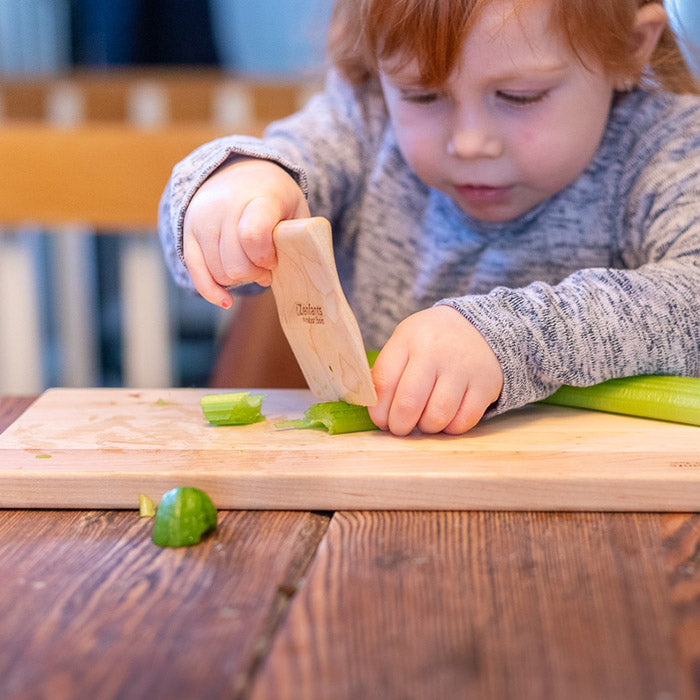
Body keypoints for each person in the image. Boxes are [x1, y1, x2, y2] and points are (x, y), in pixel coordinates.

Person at [159, 0, 700, 436]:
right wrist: (232, 189)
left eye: (520, 95)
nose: (469, 143)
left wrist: (507, 337)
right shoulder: (364, 124)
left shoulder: (666, 148)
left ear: (630, 47)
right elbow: (275, 174)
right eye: (422, 95)